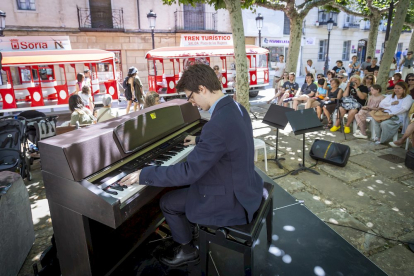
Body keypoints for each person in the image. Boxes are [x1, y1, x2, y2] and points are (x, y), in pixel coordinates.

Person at [119, 64, 264, 267]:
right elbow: (227, 140)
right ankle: (191, 231)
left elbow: (189, 172)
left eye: (191, 96)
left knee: (167, 202)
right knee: (181, 191)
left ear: (202, 88)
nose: (192, 102)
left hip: (231, 200)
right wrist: (198, 140)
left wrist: (145, 173)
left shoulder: (218, 124)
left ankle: (187, 250)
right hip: (246, 185)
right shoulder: (236, 108)